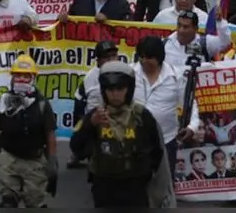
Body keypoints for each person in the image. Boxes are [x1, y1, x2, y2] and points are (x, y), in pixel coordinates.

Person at [70, 61, 165, 207]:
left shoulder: (142, 116)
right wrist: (90, 125)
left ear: (130, 88)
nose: (115, 94)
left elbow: (157, 152)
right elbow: (76, 147)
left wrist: (145, 174)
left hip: (135, 188)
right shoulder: (95, 116)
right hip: (104, 187)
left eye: (120, 88)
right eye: (110, 89)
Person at [0, 55, 58, 207]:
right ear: (12, 77)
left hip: (34, 161)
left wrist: (52, 161)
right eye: (18, 75)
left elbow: (50, 134)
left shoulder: (42, 104)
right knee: (8, 202)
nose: (22, 79)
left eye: (26, 76)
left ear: (33, 78)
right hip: (9, 158)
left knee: (35, 203)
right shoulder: (4, 101)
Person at [134, 36, 199, 169]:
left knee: (165, 184)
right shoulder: (130, 73)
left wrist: (192, 126)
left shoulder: (176, 76)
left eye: (149, 58)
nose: (144, 61)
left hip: (166, 140)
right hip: (134, 140)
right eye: (142, 57)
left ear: (159, 58)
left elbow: (190, 102)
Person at [70, 40, 121, 167]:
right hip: (95, 119)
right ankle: (81, 153)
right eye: (106, 57)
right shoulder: (89, 78)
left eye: (113, 56)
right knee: (77, 142)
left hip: (120, 118)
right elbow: (79, 105)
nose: (111, 60)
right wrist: (82, 127)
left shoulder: (127, 73)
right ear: (98, 60)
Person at [163, 10, 231, 67]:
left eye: (185, 27)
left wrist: (220, 22)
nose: (181, 30)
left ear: (196, 29)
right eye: (179, 25)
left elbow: (225, 42)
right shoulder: (165, 43)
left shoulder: (205, 43)